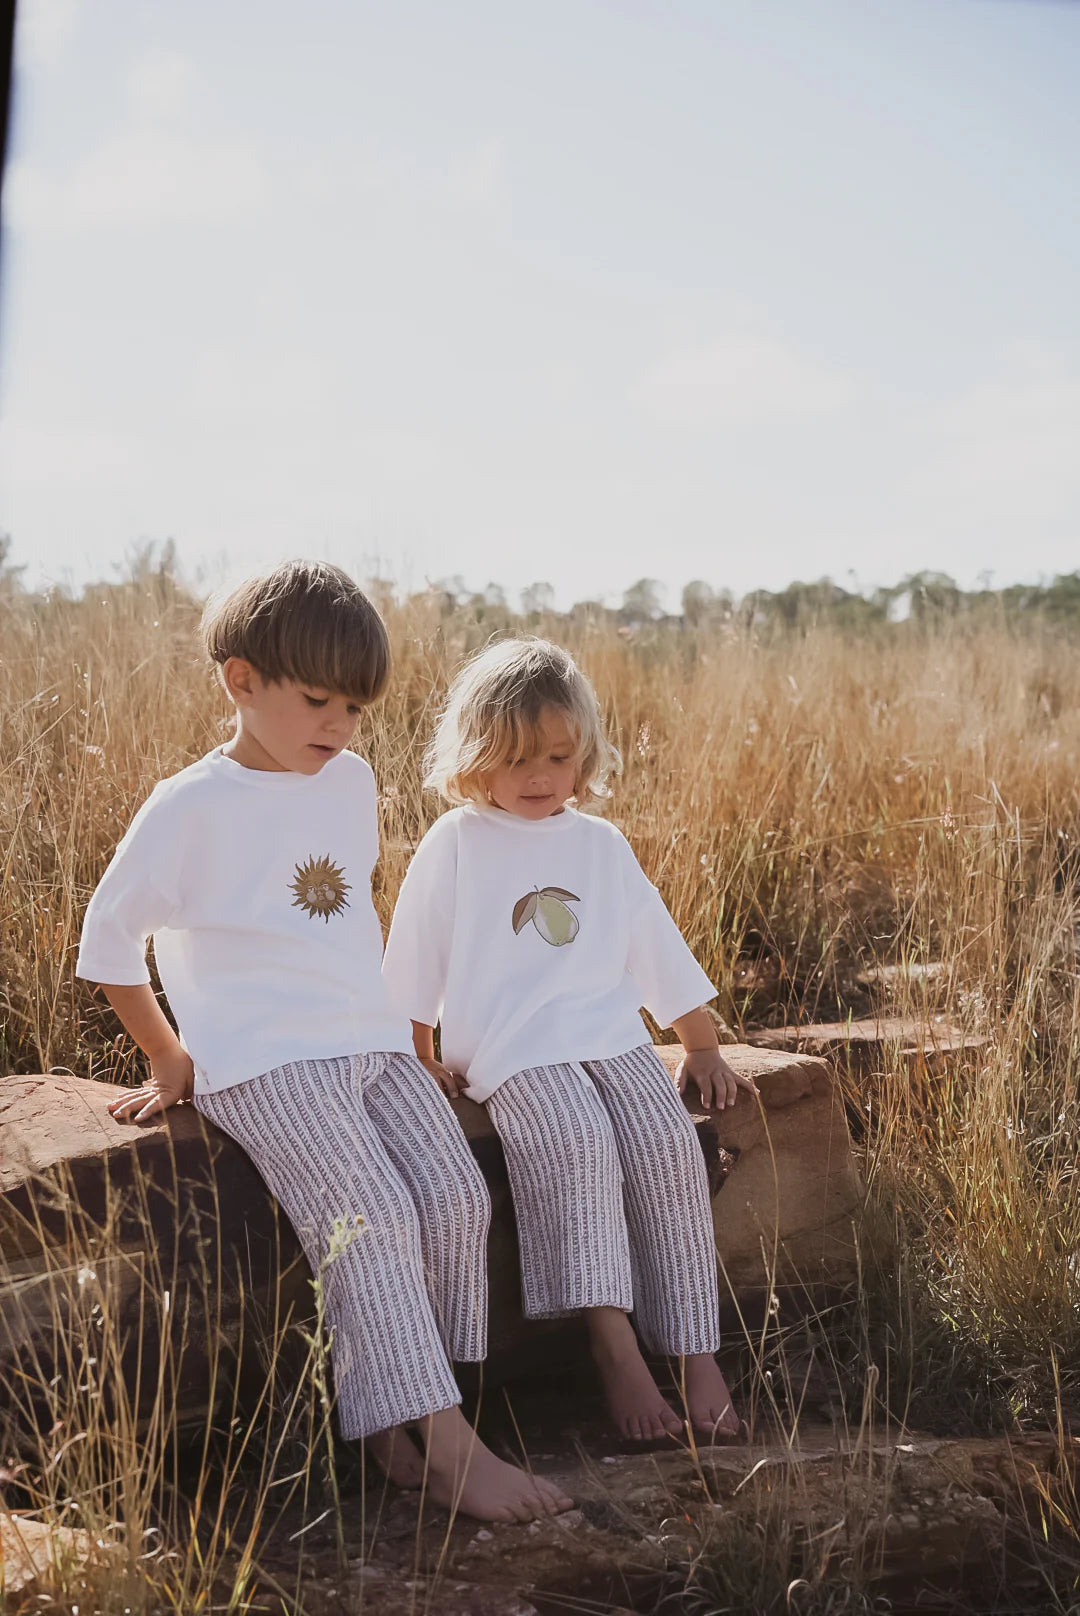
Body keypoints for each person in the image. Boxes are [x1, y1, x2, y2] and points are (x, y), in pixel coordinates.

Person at [76, 562, 572, 1523]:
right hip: (264, 1059)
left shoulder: (349, 780)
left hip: (370, 1038)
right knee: (373, 1219)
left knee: (456, 1197)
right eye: (316, 700)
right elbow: (106, 940)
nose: (339, 724)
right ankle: (454, 1452)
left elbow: (346, 921)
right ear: (241, 681)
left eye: (355, 705)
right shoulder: (189, 806)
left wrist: (405, 1032)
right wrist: (172, 1057)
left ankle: (399, 1427)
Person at [382, 637, 758, 1444]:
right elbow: (416, 947)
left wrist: (699, 1043)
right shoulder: (457, 841)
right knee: (577, 1140)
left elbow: (651, 942)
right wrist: (418, 1049)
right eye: (517, 759)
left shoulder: (598, 843)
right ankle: (611, 1339)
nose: (541, 777)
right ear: (475, 754)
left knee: (665, 1146)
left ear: (582, 751)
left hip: (608, 1033)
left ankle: (694, 1349)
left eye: (558, 756)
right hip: (515, 1048)